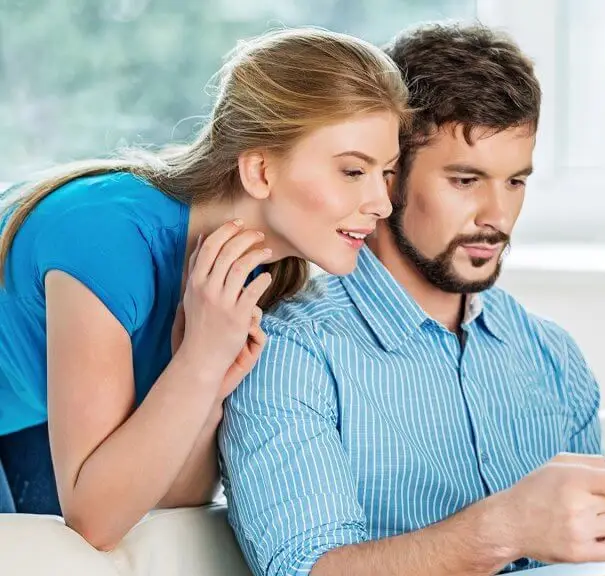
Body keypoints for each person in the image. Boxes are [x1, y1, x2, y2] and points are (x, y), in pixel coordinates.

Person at [220, 22, 605, 576]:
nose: (497, 216)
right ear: (389, 180)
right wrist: (504, 528)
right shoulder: (294, 350)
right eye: (466, 180)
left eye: (515, 182)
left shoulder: (551, 355)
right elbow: (305, 569)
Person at [0, 27, 407, 552]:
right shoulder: (106, 238)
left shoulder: (255, 273)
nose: (382, 203)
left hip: (28, 407)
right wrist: (200, 359)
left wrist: (208, 381)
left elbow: (175, 499)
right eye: (352, 171)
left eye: (386, 173)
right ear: (260, 171)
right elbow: (95, 523)